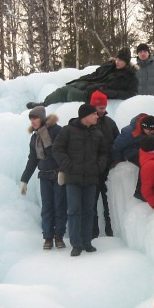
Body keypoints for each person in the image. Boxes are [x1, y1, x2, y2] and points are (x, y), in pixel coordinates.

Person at [53, 104, 108, 257]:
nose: (97, 116)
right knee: (74, 211)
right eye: (94, 114)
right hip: (73, 179)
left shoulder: (97, 133)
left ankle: (87, 242)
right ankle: (76, 244)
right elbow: (57, 149)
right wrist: (67, 166)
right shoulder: (68, 131)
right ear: (85, 116)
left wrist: (99, 166)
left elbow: (104, 152)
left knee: (89, 211)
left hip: (91, 178)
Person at [26, 48, 138, 108]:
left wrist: (113, 93)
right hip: (88, 84)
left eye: (121, 60)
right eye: (117, 59)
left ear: (127, 62)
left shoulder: (130, 76)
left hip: (96, 93)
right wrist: (80, 80)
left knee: (71, 93)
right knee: (63, 90)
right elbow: (94, 75)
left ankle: (63, 111)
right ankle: (44, 104)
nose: (118, 62)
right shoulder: (108, 65)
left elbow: (131, 94)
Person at [20, 106, 67, 250]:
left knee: (59, 206)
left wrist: (63, 171)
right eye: (31, 119)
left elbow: (64, 151)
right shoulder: (35, 138)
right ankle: (47, 237)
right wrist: (24, 179)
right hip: (45, 176)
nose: (33, 121)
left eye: (35, 118)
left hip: (58, 175)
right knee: (47, 207)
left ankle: (58, 236)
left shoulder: (56, 131)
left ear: (42, 118)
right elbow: (32, 160)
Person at [89, 90, 120, 238]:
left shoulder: (110, 123)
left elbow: (118, 142)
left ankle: (110, 229)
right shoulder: (87, 123)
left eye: (104, 107)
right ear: (93, 106)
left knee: (108, 202)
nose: (103, 110)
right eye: (100, 107)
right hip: (92, 171)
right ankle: (93, 231)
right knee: (92, 202)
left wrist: (115, 159)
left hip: (108, 169)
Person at [111, 113, 154, 200]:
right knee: (146, 164)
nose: (151, 132)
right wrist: (118, 160)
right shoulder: (129, 132)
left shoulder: (152, 131)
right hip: (131, 152)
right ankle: (139, 192)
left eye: (153, 130)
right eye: (149, 130)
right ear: (143, 127)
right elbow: (116, 146)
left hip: (146, 152)